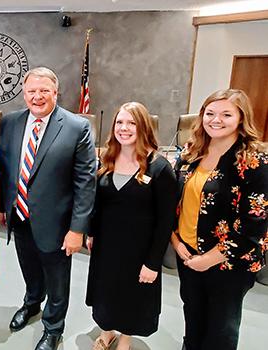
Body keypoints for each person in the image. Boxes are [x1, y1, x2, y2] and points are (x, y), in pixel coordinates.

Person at [0, 67, 97, 350]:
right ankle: (31, 304)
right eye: (31, 91)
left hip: (58, 223)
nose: (37, 97)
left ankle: (53, 327)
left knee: (57, 278)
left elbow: (85, 183)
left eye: (44, 91)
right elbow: (4, 166)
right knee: (29, 268)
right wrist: (5, 205)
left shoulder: (77, 127)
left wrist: (77, 229)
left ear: (55, 92)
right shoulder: (10, 123)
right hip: (20, 216)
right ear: (24, 93)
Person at [171, 89, 267, 350]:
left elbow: (254, 224)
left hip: (229, 264)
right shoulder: (191, 154)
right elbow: (173, 202)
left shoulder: (254, 161)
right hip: (188, 255)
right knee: (193, 318)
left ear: (241, 118)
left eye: (226, 114)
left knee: (221, 330)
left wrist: (209, 259)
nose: (216, 120)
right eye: (210, 113)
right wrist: (177, 243)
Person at [85, 102, 177, 350]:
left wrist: (153, 262)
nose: (124, 128)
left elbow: (166, 220)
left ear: (143, 127)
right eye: (119, 122)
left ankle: (125, 338)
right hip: (106, 246)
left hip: (139, 251)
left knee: (131, 297)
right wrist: (91, 233)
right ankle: (107, 332)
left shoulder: (160, 168)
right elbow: (98, 203)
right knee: (106, 293)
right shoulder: (107, 159)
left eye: (131, 123)